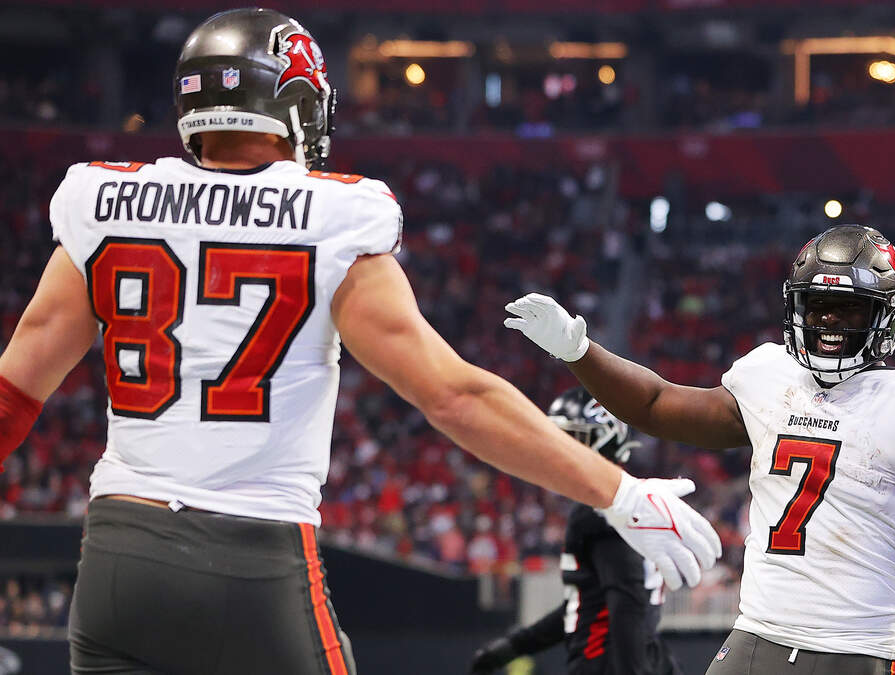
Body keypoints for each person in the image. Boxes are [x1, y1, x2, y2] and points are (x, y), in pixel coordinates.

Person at [0, 9, 719, 675]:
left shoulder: (104, 202)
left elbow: (15, 390)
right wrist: (619, 491)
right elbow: (454, 396)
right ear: (293, 105)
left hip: (118, 558)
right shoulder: (333, 216)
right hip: (252, 560)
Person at [505, 225, 895, 675]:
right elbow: (655, 403)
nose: (829, 319)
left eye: (849, 307)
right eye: (817, 304)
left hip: (860, 649)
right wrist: (579, 351)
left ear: (887, 314)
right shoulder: (770, 376)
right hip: (756, 638)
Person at [469, 387, 681, 675]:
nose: (560, 451)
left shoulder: (602, 511)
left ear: (606, 441)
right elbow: (586, 604)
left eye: (572, 439)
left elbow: (627, 602)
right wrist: (514, 646)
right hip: (636, 658)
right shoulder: (623, 501)